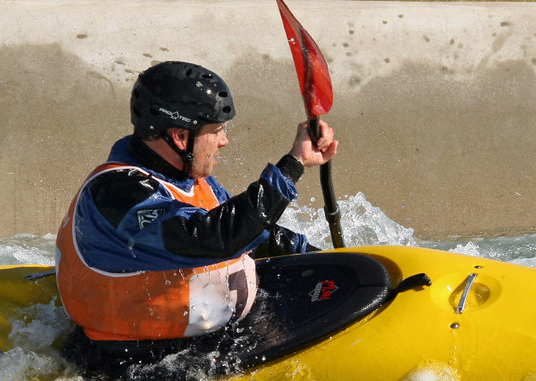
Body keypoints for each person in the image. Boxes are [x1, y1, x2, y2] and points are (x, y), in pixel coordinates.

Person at [55, 60, 337, 344]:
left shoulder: (185, 177)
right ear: (180, 137)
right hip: (130, 361)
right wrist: (293, 165)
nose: (224, 141)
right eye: (216, 131)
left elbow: (246, 231)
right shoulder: (118, 194)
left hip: (211, 338)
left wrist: (322, 259)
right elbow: (213, 239)